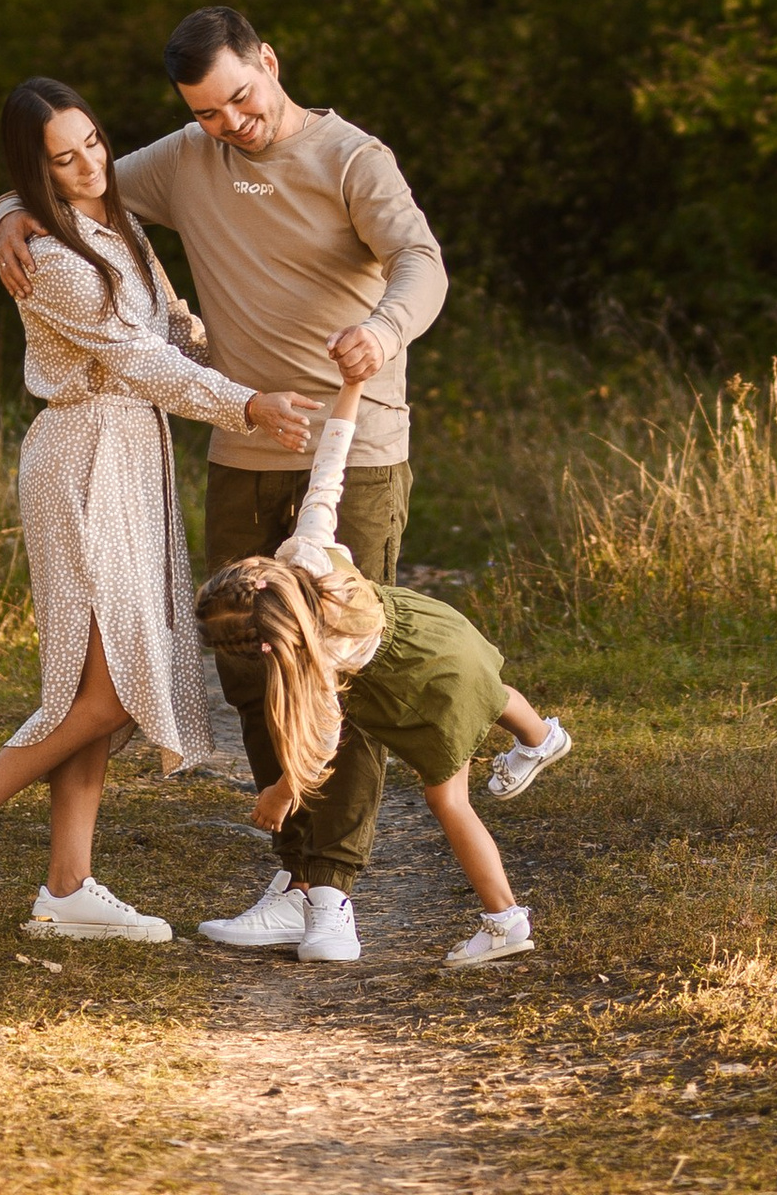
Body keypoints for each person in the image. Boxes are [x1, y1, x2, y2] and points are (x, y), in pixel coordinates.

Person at [0, 3, 447, 959]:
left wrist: (387, 327)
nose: (230, 125)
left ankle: (333, 892)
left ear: (269, 62)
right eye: (205, 113)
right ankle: (289, 874)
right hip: (242, 452)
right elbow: (83, 180)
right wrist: (9, 213)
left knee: (337, 658)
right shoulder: (191, 159)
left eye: (240, 100)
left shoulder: (354, 159)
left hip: (351, 446)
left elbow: (421, 260)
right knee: (247, 662)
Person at [0, 77, 309, 949]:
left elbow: (169, 335)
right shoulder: (46, 256)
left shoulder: (115, 224)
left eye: (92, 143)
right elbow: (140, 362)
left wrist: (227, 335)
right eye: (62, 159)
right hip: (82, 457)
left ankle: (67, 887)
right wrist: (245, 404)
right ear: (33, 169)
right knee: (107, 687)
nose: (88, 165)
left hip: (132, 456)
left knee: (99, 687)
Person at [195, 405, 571, 973]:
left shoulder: (315, 663)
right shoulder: (307, 553)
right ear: (260, 572)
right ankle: (541, 737)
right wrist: (350, 393)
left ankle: (505, 920)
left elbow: (321, 745)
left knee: (450, 802)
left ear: (267, 648)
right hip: (441, 635)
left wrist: (279, 792)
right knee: (492, 690)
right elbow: (329, 471)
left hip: (430, 690)